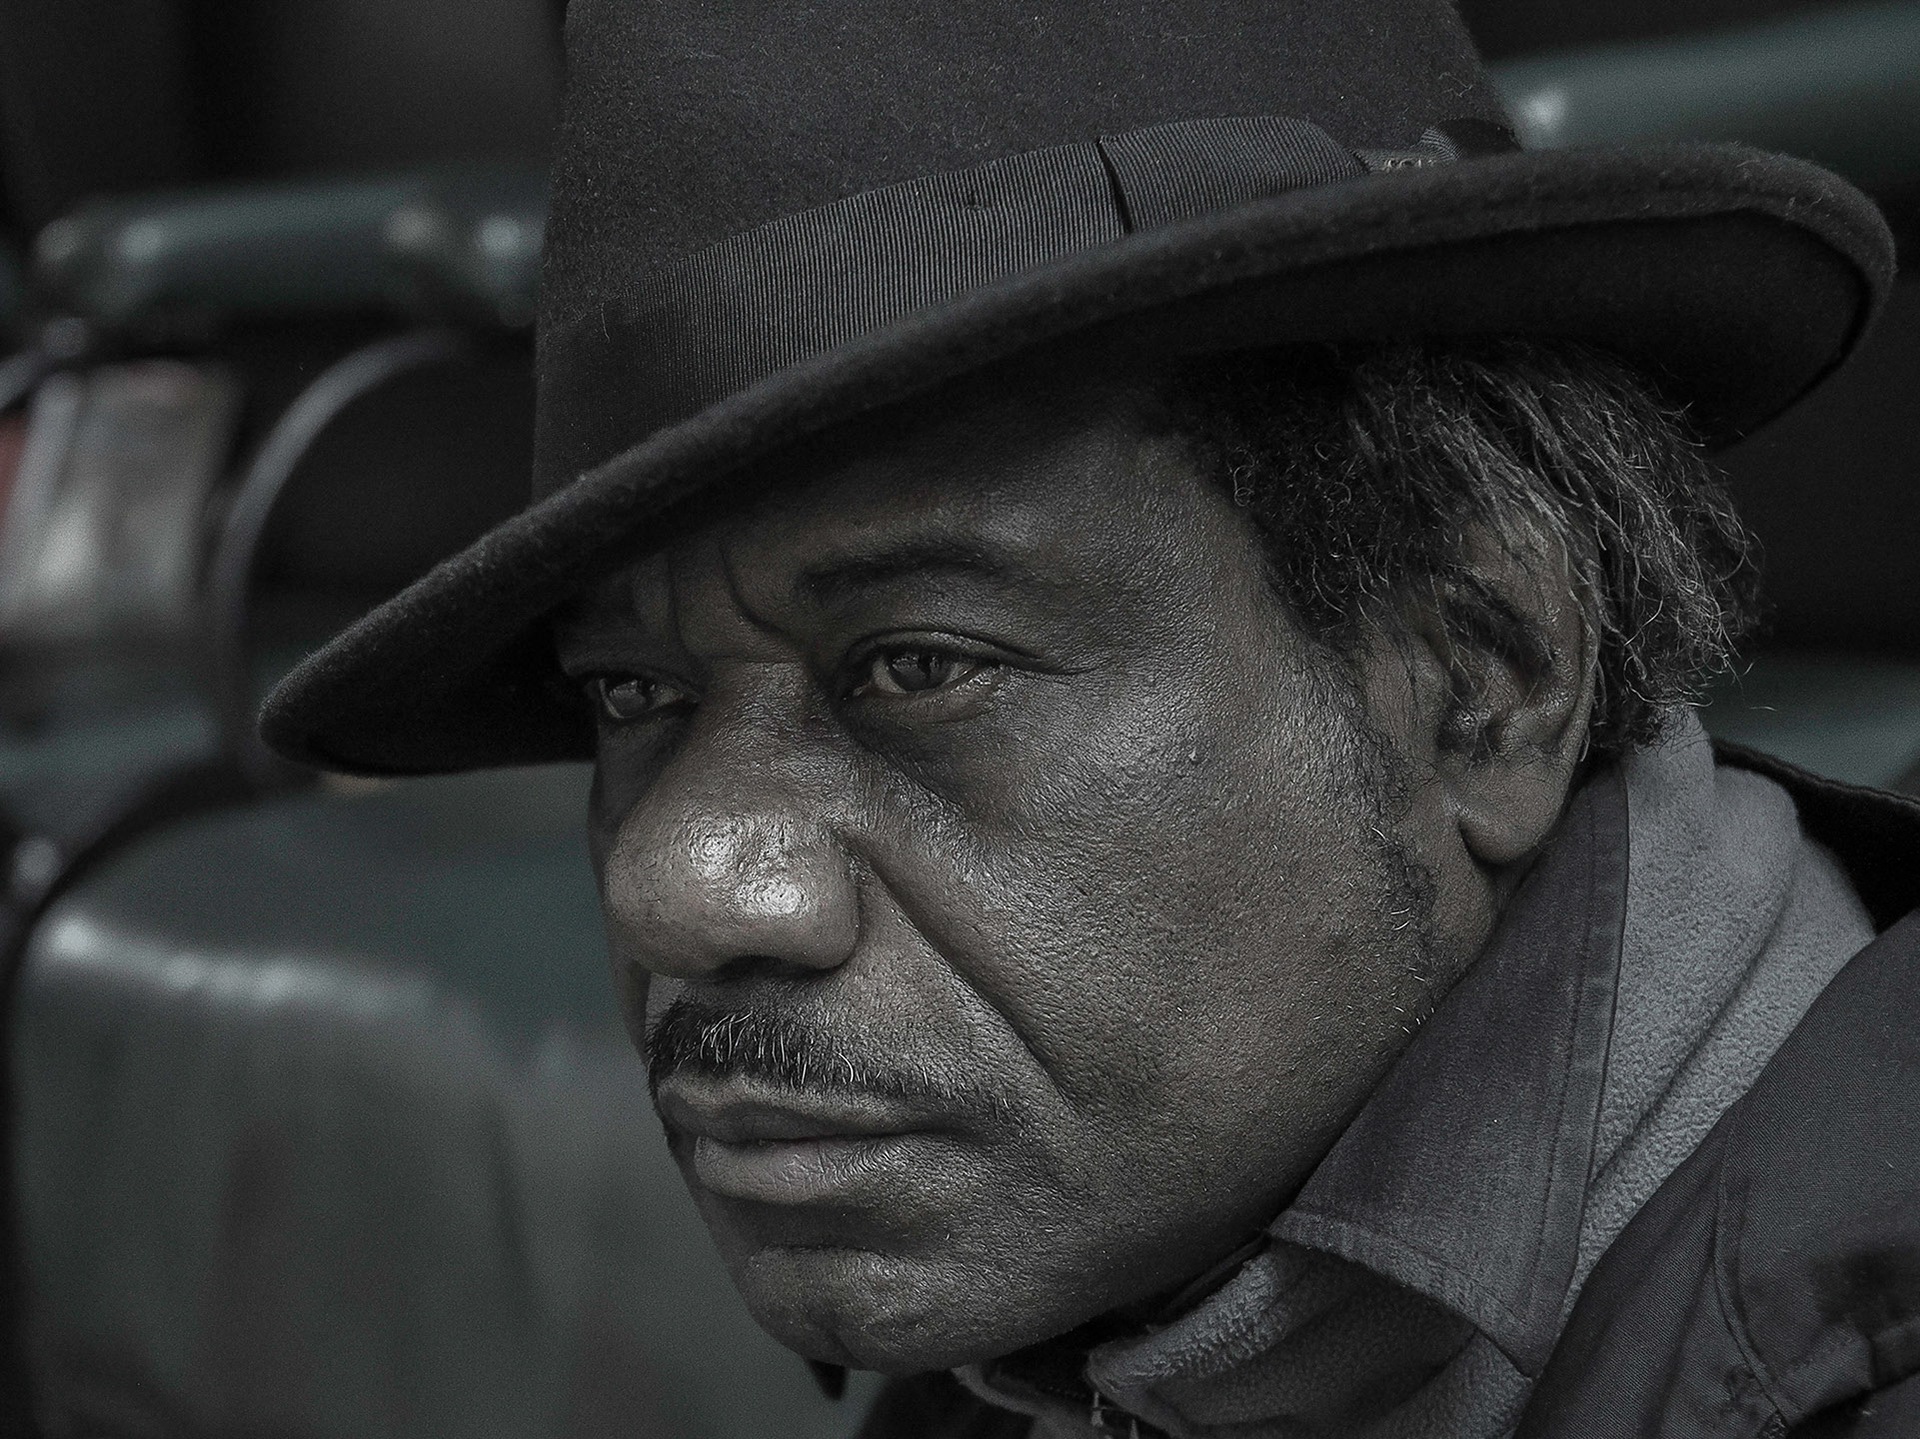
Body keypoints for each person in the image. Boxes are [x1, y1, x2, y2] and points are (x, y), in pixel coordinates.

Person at [261, 0, 1920, 1433]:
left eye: (918, 665)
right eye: (631, 693)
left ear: (1483, 681)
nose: (673, 885)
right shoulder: (1089, 1327)